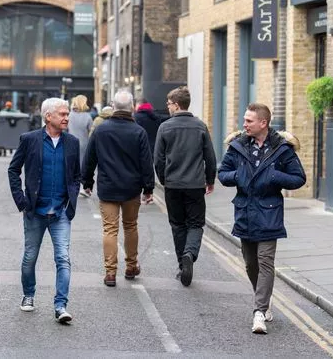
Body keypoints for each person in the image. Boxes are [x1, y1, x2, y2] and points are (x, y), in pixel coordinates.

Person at [218, 103, 306, 334]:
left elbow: (298, 178)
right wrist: (238, 175)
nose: (244, 124)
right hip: (245, 211)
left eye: (249, 121)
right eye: (245, 120)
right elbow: (222, 174)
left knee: (265, 261)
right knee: (250, 263)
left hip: (269, 211)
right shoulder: (237, 146)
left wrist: (275, 176)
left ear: (263, 123)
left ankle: (259, 311)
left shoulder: (282, 149)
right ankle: (264, 300)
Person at [7, 98, 80, 323]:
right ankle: (28, 294)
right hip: (35, 211)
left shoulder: (73, 142)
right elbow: (13, 170)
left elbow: (76, 175)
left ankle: (60, 306)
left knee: (63, 259)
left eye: (67, 114)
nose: (67, 117)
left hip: (60, 213)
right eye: (62, 114)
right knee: (30, 257)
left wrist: (71, 201)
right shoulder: (30, 140)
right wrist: (22, 201)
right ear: (48, 117)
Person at [82, 90, 154, 287]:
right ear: (132, 108)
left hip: (108, 188)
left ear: (113, 107)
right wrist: (148, 188)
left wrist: (87, 182)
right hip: (132, 189)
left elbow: (89, 159)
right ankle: (131, 266)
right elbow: (146, 163)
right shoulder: (138, 132)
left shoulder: (101, 130)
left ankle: (110, 272)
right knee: (130, 226)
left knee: (110, 229)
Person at [154, 86, 216, 287]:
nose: (168, 107)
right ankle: (190, 253)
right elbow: (210, 157)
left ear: (177, 105)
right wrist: (210, 179)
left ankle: (183, 263)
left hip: (173, 184)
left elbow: (158, 159)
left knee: (178, 225)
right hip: (195, 184)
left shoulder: (165, 127)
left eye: (169, 104)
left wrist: (164, 179)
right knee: (196, 223)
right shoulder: (200, 126)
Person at [67, 95, 92, 197]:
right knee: (83, 165)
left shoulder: (68, 115)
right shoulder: (88, 116)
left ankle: (71, 187)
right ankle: (83, 187)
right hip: (83, 143)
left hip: (70, 142)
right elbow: (91, 130)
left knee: (71, 165)